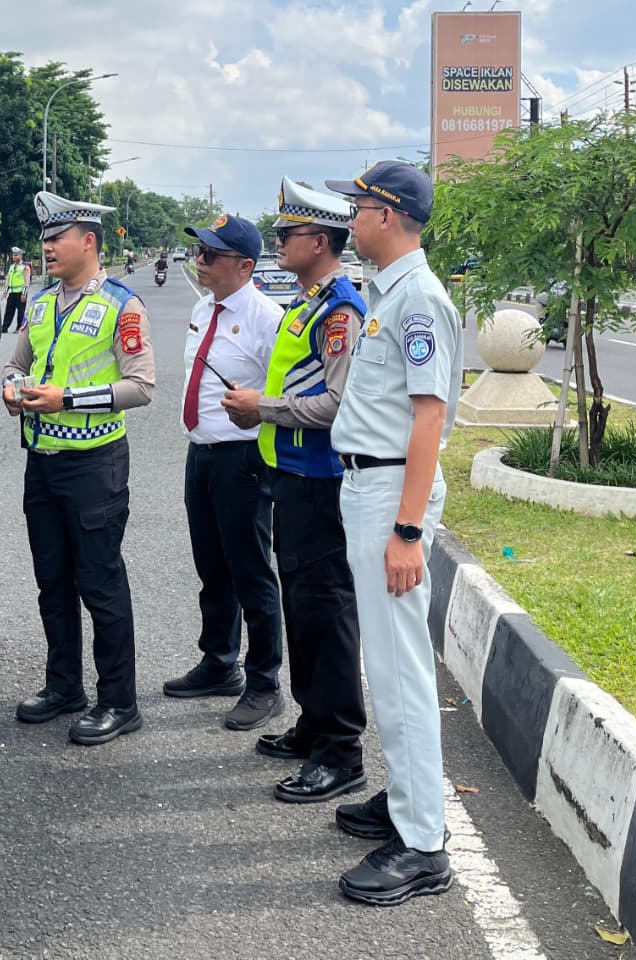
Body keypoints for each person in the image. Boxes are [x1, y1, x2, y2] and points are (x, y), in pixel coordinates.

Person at [319, 160, 462, 905]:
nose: (350, 220)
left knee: (400, 668)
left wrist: (407, 529)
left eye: (358, 207)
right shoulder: (388, 293)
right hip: (367, 485)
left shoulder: (418, 300)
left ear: (387, 214)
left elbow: (429, 417)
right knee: (385, 659)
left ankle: (423, 845)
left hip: (389, 494)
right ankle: (408, 800)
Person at [221, 180, 369, 802]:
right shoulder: (307, 303)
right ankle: (313, 724)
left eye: (289, 233)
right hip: (291, 475)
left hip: (321, 481)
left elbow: (337, 403)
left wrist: (263, 408)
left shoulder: (339, 311)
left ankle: (340, 750)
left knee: (327, 613)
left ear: (321, 241)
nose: (279, 241)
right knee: (303, 608)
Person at [2, 190, 155, 745]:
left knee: (100, 583)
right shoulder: (42, 303)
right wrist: (10, 388)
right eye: (44, 239)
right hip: (41, 463)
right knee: (52, 581)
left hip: (94, 465)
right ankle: (64, 686)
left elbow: (141, 386)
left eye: (56, 238)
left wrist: (66, 399)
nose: (46, 248)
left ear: (88, 241)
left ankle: (119, 701)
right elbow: (17, 363)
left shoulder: (121, 305)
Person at [163, 214, 284, 732]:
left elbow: (285, 395)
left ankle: (265, 682)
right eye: (200, 252)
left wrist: (261, 408)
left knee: (250, 571)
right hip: (202, 452)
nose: (201, 261)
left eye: (211, 255)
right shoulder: (202, 307)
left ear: (245, 266)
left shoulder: (267, 318)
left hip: (243, 459)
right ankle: (219, 662)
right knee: (211, 565)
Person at [3, 246, 29, 333]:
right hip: (12, 293)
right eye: (13, 255)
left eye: (16, 255)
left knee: (21, 312)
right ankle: (4, 327)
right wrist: (5, 292)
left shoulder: (25, 267)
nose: (14, 257)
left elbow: (26, 281)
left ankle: (19, 327)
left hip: (21, 293)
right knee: (8, 311)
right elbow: (8, 280)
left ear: (21, 256)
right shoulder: (11, 267)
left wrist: (24, 294)